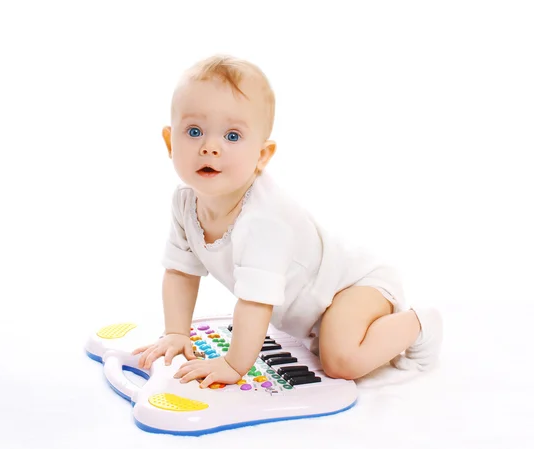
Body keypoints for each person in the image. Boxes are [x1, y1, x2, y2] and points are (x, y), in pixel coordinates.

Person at [132, 54, 443, 388]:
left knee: (340, 361)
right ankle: (354, 332)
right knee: (330, 343)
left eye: (232, 136)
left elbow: (255, 302)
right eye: (194, 131)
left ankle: (420, 324)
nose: (210, 147)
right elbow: (180, 271)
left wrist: (234, 365)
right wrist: (177, 332)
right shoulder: (185, 202)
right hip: (317, 310)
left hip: (353, 285)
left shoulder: (264, 219)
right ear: (169, 142)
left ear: (262, 156)